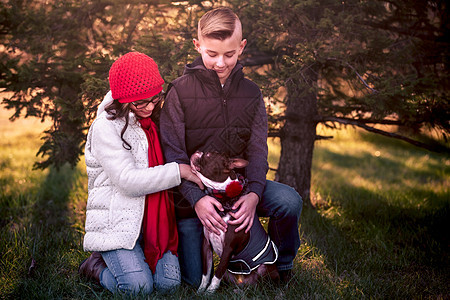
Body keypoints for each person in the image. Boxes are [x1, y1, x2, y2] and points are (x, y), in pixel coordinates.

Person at [159, 7, 302, 287]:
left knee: (288, 200)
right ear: (198, 46)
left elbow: (258, 152)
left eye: (229, 54)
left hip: (238, 188)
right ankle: (231, 261)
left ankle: (280, 267)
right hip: (194, 199)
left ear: (242, 47)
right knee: (190, 279)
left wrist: (254, 195)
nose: (221, 63)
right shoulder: (179, 91)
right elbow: (172, 152)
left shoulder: (252, 94)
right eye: (211, 54)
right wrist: (196, 199)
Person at [78, 52, 203, 296]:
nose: (149, 107)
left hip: (153, 224)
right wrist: (179, 171)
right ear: (123, 100)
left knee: (168, 286)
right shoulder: (106, 126)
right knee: (138, 288)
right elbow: (128, 181)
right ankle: (95, 266)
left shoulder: (154, 118)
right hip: (119, 225)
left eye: (155, 99)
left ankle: (132, 262)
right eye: (140, 103)